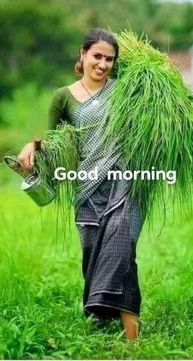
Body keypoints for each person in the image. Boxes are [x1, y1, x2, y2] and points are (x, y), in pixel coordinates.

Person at [17, 28, 145, 341]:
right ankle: (98, 318)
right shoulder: (63, 96)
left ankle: (132, 337)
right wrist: (33, 146)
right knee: (92, 255)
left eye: (109, 59)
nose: (103, 64)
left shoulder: (125, 92)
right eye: (97, 56)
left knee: (122, 252)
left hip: (125, 184)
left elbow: (146, 126)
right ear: (83, 54)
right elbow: (55, 142)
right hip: (86, 188)